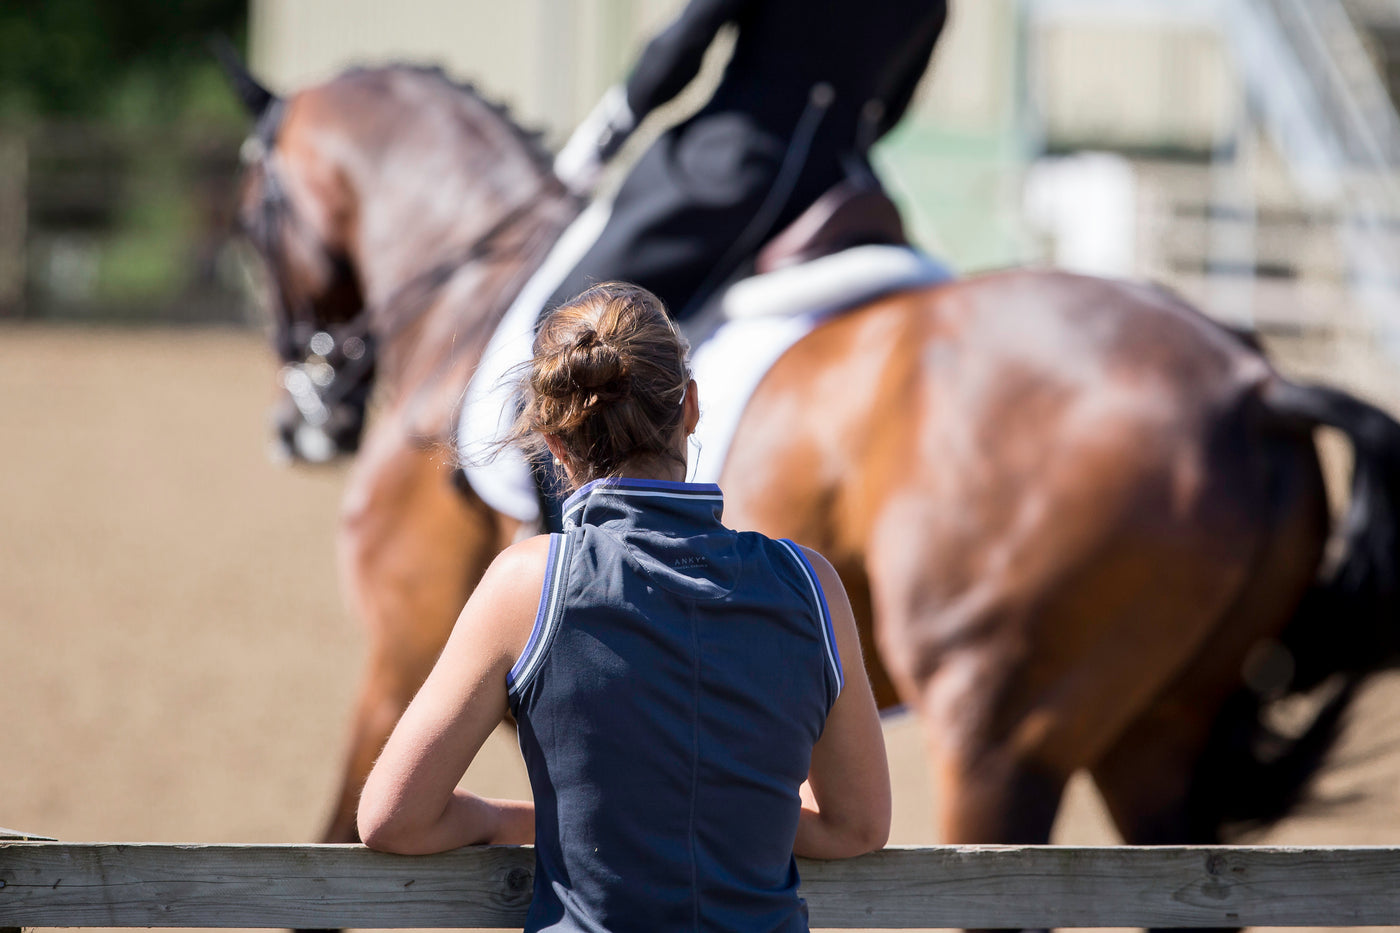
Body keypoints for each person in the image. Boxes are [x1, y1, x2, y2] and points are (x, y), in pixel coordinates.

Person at [361, 282, 891, 932]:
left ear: (553, 443)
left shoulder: (527, 584)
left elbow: (391, 817)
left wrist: (499, 819)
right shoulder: (811, 585)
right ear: (690, 406)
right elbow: (859, 824)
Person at [548, 0, 950, 322]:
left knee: (567, 319)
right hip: (848, 187)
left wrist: (606, 138)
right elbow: (893, 109)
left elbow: (681, 47)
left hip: (734, 174)